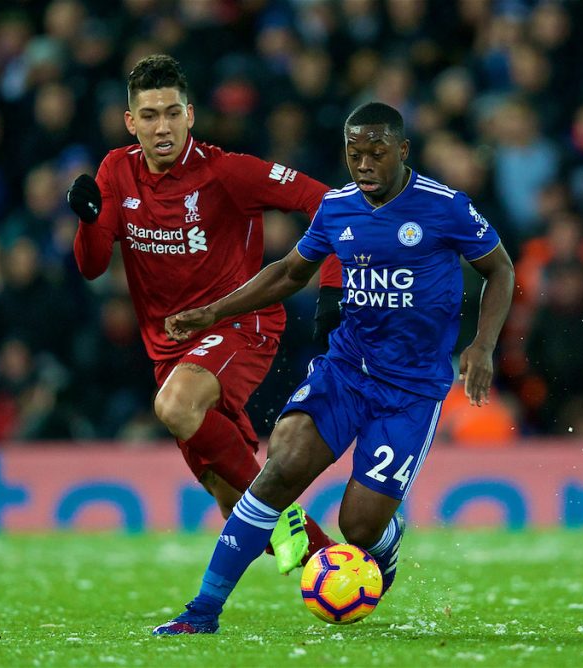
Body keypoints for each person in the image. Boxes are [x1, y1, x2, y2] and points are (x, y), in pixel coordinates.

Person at [153, 102, 515, 634]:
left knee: (358, 525)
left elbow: (500, 269)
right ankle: (203, 609)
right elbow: (288, 273)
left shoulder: (445, 207)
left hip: (410, 391)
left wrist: (482, 346)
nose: (363, 163)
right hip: (346, 370)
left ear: (402, 150)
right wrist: (215, 311)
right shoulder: (338, 207)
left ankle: (384, 543)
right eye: (354, 152)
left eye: (376, 152)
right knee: (281, 467)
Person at [66, 55, 338, 573]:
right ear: (131, 123)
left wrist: (325, 280)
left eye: (172, 112)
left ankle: (288, 519)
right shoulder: (115, 172)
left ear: (190, 115)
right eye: (149, 116)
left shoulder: (227, 172)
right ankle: (333, 563)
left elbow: (322, 198)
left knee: (173, 406)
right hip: (170, 346)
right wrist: (88, 221)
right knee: (228, 491)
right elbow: (93, 266)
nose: (161, 126)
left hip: (240, 324)